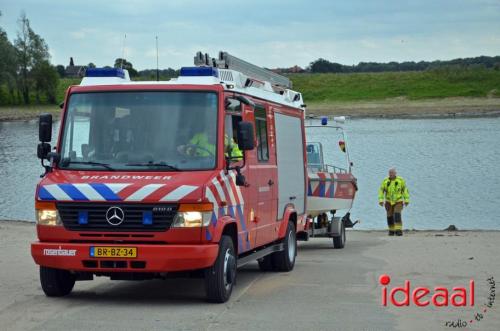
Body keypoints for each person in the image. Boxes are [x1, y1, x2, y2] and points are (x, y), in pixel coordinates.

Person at [378, 168, 410, 236]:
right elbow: (381, 191)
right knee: (389, 216)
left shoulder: (400, 180)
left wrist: (406, 200)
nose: (391, 174)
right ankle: (391, 230)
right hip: (388, 201)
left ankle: (398, 230)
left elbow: (405, 190)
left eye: (392, 173)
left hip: (398, 201)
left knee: (397, 214)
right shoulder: (385, 181)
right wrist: (381, 200)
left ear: (395, 173)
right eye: (390, 173)